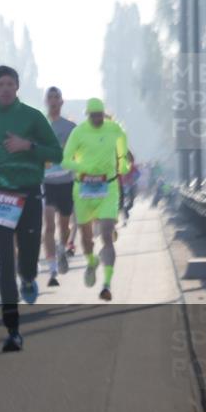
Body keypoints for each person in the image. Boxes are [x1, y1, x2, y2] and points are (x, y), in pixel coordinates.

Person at [0, 66, 62, 352]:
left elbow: (56, 153)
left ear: (17, 86)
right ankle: (12, 330)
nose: (5, 88)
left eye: (10, 83)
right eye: (1, 84)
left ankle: (29, 277)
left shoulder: (32, 117)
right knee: (5, 261)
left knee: (27, 258)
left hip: (29, 194)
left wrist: (27, 145)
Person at [61, 98, 130, 302]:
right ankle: (91, 262)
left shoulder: (115, 129)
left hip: (108, 188)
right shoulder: (79, 132)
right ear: (87, 115)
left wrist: (123, 163)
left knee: (107, 235)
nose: (98, 119)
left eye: (100, 115)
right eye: (93, 115)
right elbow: (65, 160)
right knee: (86, 239)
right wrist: (83, 168)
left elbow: (122, 152)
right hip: (83, 190)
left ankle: (107, 285)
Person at [41, 86, 77, 286]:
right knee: (48, 224)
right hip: (46, 182)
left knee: (64, 225)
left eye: (57, 97)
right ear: (45, 102)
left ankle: (62, 248)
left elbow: (80, 152)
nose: (53, 101)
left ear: (61, 102)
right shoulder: (39, 126)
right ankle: (52, 270)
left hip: (66, 181)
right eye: (50, 97)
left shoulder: (71, 128)